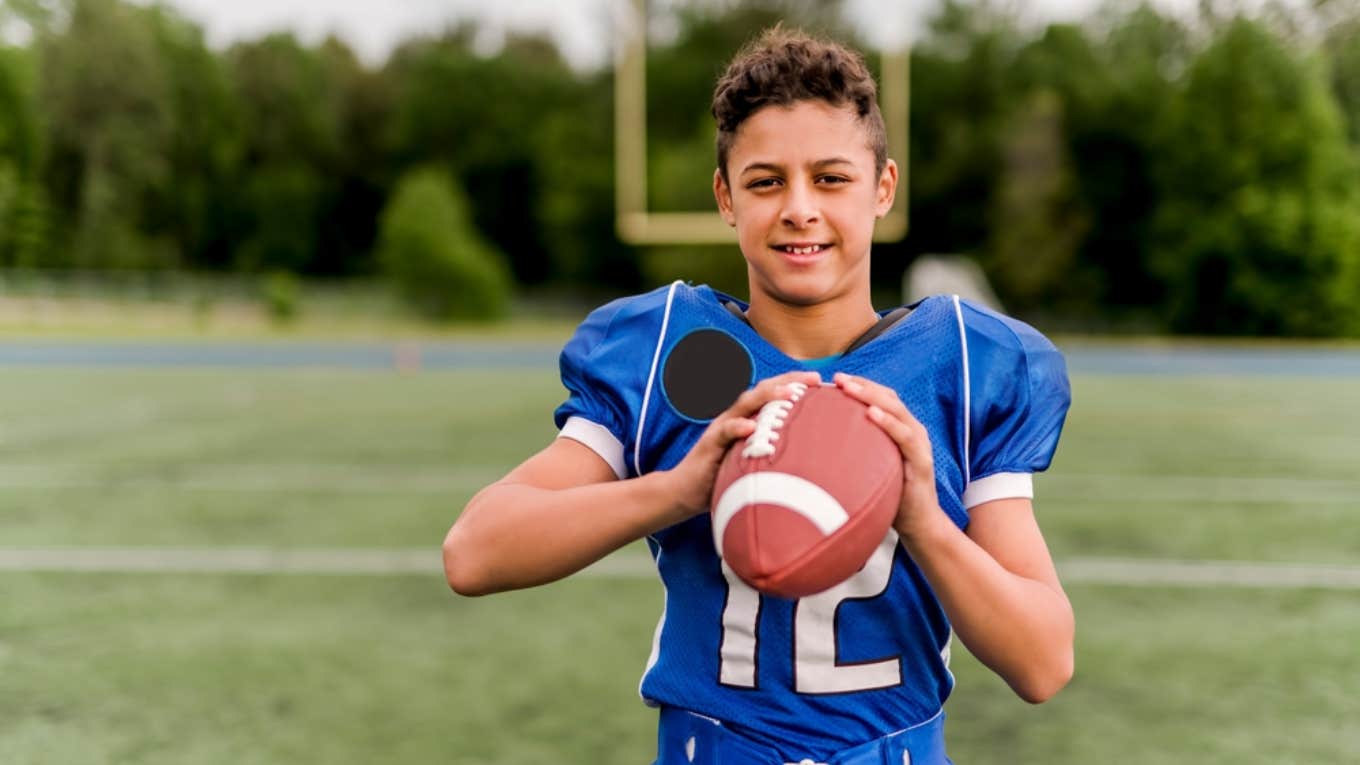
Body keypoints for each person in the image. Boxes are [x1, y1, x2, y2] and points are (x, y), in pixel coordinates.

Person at [443, 26, 1073, 765]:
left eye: (831, 178)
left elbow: (1043, 661)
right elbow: (473, 553)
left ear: (883, 188)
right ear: (725, 196)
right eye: (766, 180)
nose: (799, 208)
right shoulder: (674, 350)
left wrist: (924, 520)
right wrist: (678, 489)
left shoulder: (962, 364)